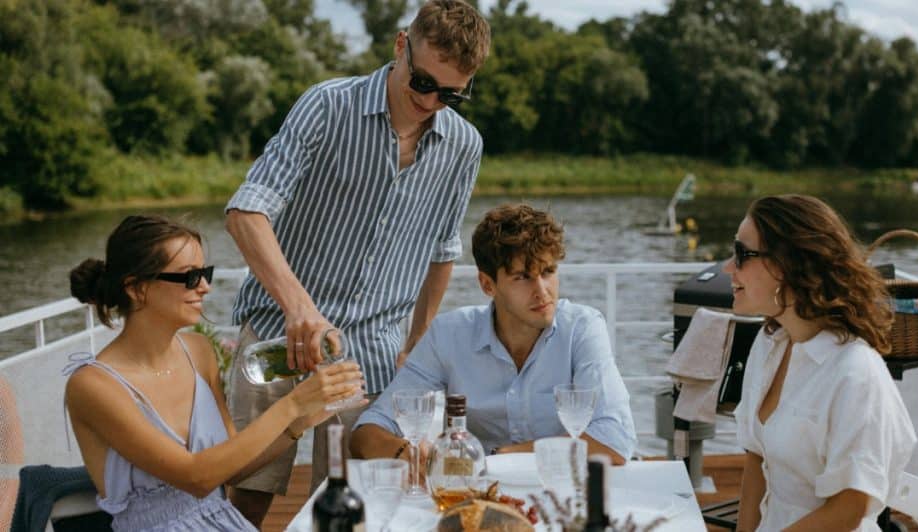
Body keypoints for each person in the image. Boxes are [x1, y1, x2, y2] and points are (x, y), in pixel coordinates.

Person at [223, 0, 491, 524]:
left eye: (450, 94)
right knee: (249, 497)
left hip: (370, 354)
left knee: (354, 505)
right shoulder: (326, 105)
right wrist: (300, 308)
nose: (431, 102)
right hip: (279, 336)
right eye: (422, 83)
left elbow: (442, 249)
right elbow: (246, 212)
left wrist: (417, 345)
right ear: (400, 45)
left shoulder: (464, 145)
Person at [63, 215, 364, 532]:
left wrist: (299, 422)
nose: (205, 287)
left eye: (204, 273)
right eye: (190, 277)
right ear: (137, 288)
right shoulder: (93, 385)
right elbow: (196, 477)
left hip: (224, 521)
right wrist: (292, 404)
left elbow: (231, 470)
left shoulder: (198, 350)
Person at [351, 204, 637, 465]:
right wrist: (404, 452)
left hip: (563, 485)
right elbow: (367, 432)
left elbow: (615, 438)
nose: (542, 291)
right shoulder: (449, 334)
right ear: (487, 285)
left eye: (548, 271)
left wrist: (503, 456)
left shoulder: (582, 328)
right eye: (522, 277)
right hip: (480, 491)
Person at [727, 195, 917, 531]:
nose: (728, 267)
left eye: (742, 254)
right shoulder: (770, 345)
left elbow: (849, 509)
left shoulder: (855, 372)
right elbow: (756, 457)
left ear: (786, 266)